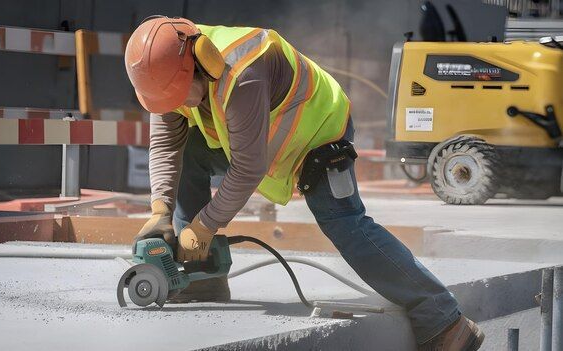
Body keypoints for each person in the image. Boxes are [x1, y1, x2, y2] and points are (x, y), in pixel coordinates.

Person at [124, 16, 484, 350]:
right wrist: (160, 210)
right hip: (261, 140)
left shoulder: (242, 72)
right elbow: (167, 146)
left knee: (344, 224)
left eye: (180, 95)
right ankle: (202, 277)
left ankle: (444, 320)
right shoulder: (169, 68)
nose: (177, 105)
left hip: (319, 135)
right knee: (191, 153)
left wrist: (204, 226)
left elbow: (249, 168)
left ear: (201, 64)